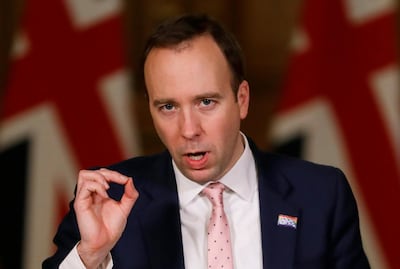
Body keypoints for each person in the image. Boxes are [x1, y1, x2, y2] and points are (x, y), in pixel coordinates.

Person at [42, 13, 370, 269]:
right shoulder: (108, 199)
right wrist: (91, 255)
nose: (188, 129)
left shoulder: (322, 194)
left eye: (206, 102)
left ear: (241, 99)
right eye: (168, 106)